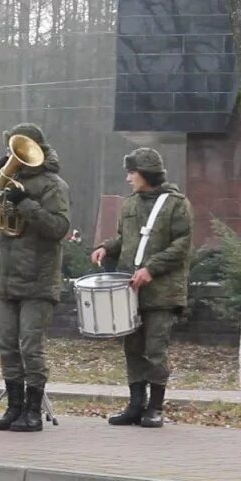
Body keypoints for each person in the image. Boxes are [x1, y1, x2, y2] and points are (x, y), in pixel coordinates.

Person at [92, 147, 192, 428]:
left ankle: (155, 407)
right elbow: (125, 239)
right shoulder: (130, 204)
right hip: (131, 290)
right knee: (132, 348)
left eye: (132, 172)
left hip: (162, 292)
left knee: (155, 349)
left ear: (146, 174)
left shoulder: (177, 204)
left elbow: (182, 245)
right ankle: (135, 405)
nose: (128, 178)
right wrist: (105, 247)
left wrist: (152, 268)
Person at [0, 123, 70, 433]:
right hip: (7, 279)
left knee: (30, 347)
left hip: (38, 279)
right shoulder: (8, 181)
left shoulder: (53, 184)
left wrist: (26, 205)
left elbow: (58, 227)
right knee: (6, 344)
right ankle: (14, 407)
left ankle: (33, 411)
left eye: (17, 149)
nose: (14, 156)